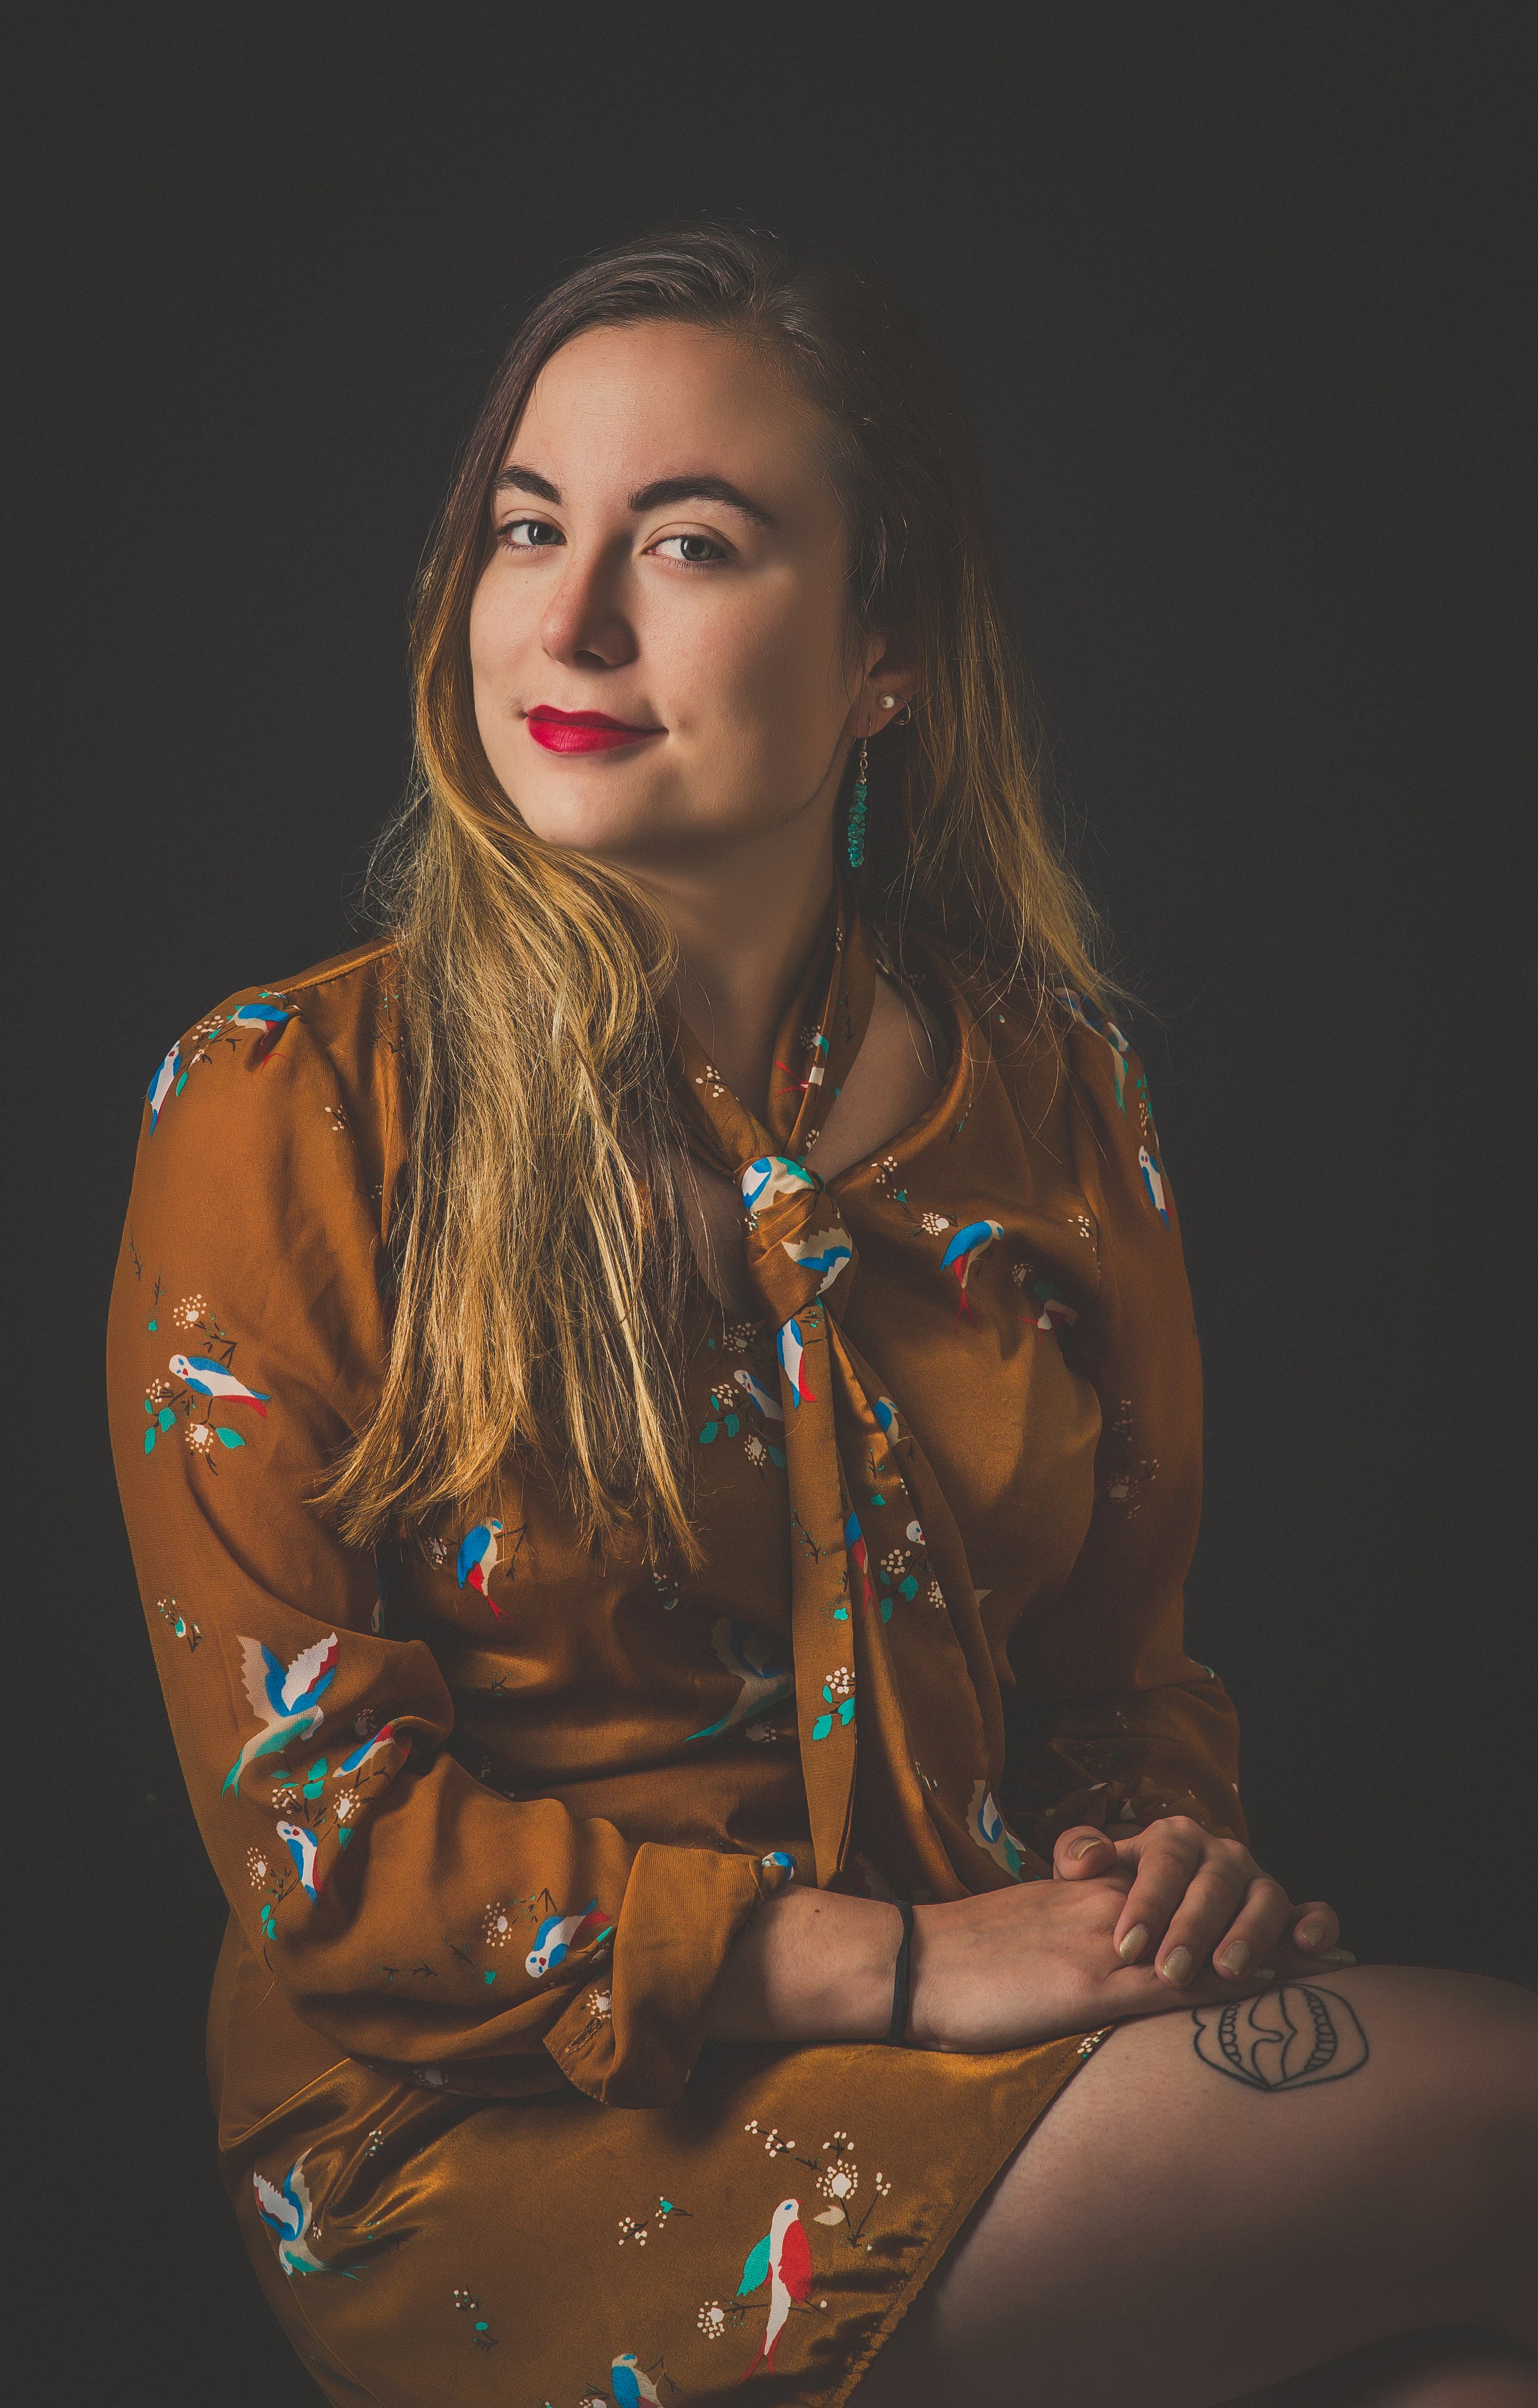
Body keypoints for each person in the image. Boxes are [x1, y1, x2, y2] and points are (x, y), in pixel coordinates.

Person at [107, 227, 1536, 2408]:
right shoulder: (286, 1109)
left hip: (1000, 2038)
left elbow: (1118, 1681)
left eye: (686, 541)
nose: (566, 621)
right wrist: (900, 1963)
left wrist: (1157, 1874)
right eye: (524, 529)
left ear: (885, 648)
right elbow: (335, 1859)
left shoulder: (1056, 1102)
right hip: (493, 2130)